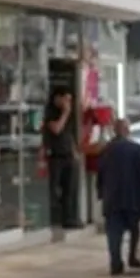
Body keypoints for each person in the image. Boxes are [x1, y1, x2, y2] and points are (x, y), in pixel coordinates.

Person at [96, 119, 140, 276]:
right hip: (133, 198)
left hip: (112, 198)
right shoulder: (137, 150)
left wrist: (101, 193)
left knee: (114, 233)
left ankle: (115, 263)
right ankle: (133, 257)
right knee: (135, 230)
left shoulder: (106, 150)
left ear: (114, 131)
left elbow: (100, 174)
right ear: (128, 131)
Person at [43, 87, 80, 230]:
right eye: (65, 100)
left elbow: (68, 134)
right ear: (58, 98)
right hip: (55, 156)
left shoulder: (68, 116)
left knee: (70, 188)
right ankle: (54, 218)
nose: (68, 104)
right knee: (54, 188)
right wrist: (65, 113)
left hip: (68, 155)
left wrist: (74, 150)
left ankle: (70, 218)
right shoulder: (51, 113)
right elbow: (56, 129)